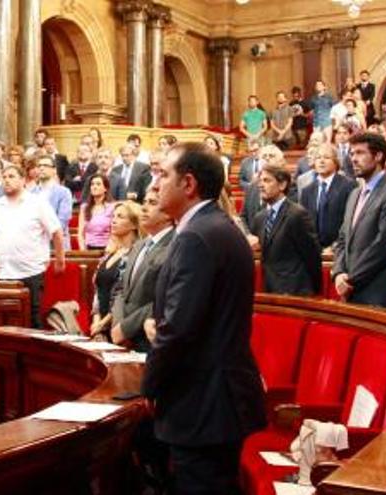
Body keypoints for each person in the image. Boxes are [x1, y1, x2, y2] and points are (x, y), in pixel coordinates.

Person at [143, 142, 266, 494]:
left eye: (163, 175)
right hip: (216, 399)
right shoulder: (215, 227)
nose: (154, 184)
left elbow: (179, 329)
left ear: (189, 184)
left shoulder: (197, 236)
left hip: (204, 403)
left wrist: (150, 385)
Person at [332, 133, 386, 310]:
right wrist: (338, 273)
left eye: (360, 153)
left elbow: (383, 245)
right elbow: (343, 239)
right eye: (352, 154)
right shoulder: (354, 194)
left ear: (378, 156)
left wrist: (351, 279)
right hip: (352, 290)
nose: (354, 159)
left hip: (379, 293)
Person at [0, 165, 65, 328]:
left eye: (11, 176)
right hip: (3, 272)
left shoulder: (37, 203)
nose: (7, 180)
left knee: (33, 319)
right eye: (5, 177)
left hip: (30, 271)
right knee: (6, 321)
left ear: (23, 180)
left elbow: (56, 232)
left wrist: (60, 260)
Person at [110, 188, 172, 353]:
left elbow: (165, 297)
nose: (144, 208)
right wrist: (117, 324)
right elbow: (121, 290)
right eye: (144, 202)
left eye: (152, 203)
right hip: (124, 338)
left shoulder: (175, 246)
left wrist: (125, 328)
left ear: (169, 213)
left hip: (149, 337)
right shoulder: (138, 245)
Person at [252, 164, 322, 296]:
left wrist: (313, 289)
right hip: (269, 290)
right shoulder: (259, 218)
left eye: (267, 180)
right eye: (260, 181)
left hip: (296, 291)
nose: (261, 185)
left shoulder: (297, 214)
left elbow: (312, 255)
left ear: (282, 185)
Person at [90, 201, 141, 337]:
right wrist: (96, 321)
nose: (114, 220)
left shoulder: (135, 255)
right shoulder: (109, 253)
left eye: (120, 217)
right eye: (113, 216)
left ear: (134, 224)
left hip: (119, 325)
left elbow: (123, 295)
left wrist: (103, 324)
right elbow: (98, 290)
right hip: (99, 324)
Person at [299, 143, 356, 251]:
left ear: (336, 162)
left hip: (341, 249)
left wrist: (336, 245)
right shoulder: (307, 190)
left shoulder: (349, 186)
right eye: (318, 158)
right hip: (314, 250)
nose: (321, 161)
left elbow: (351, 220)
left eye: (326, 157)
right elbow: (304, 223)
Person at [34, 155, 73, 249]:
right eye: (39, 166)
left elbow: (62, 220)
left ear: (54, 170)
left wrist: (43, 236)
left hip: (57, 244)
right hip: (35, 245)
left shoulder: (64, 192)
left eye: (45, 165)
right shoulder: (30, 193)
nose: (41, 168)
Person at [78, 175, 114, 251]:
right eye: (92, 184)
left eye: (98, 184)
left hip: (107, 249)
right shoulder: (84, 207)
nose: (94, 187)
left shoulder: (111, 207)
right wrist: (83, 251)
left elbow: (113, 233)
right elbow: (80, 233)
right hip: (88, 248)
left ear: (105, 188)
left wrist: (108, 251)